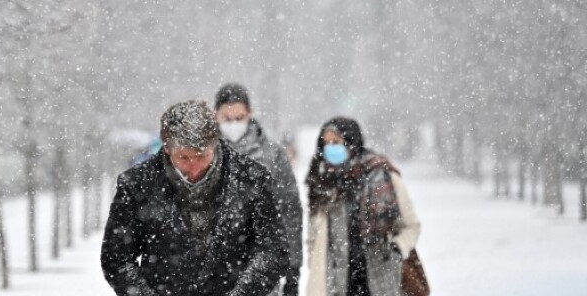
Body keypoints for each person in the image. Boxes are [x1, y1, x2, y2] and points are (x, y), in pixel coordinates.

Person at [101, 99, 289, 296]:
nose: (194, 168)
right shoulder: (137, 185)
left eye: (202, 156)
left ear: (215, 144)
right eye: (183, 158)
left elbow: (273, 252)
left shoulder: (252, 179)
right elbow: (117, 259)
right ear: (166, 148)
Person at [304, 117, 422, 296]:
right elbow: (314, 236)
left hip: (380, 277)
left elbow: (411, 225)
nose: (330, 148)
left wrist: (397, 249)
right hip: (335, 282)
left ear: (352, 143)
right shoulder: (322, 181)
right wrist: (316, 264)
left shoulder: (381, 175)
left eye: (336, 142)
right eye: (326, 143)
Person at [215, 83, 303, 296]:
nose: (233, 124)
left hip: (261, 267)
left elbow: (289, 210)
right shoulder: (203, 154)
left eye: (239, 117)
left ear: (250, 113)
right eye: (227, 118)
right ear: (215, 115)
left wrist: (293, 266)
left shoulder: (272, 155)